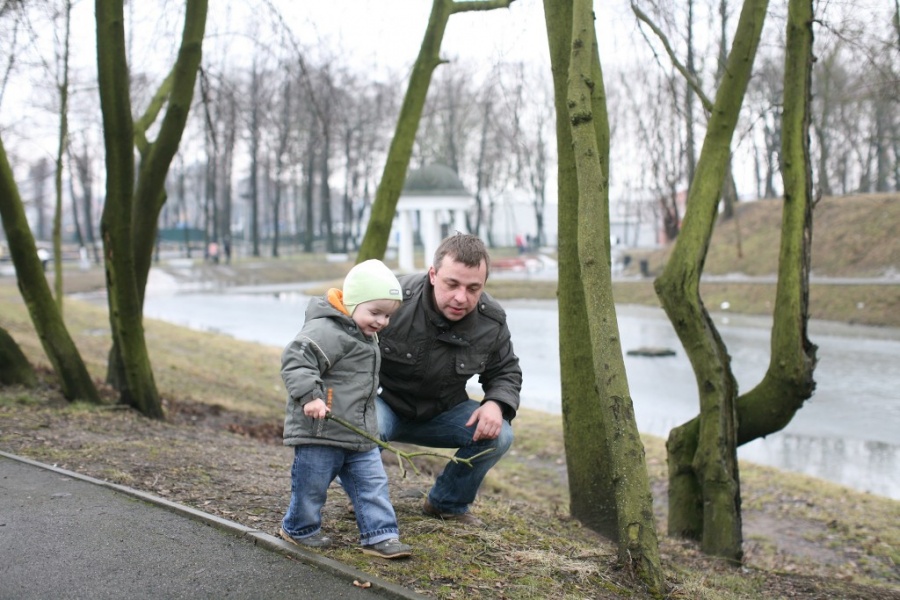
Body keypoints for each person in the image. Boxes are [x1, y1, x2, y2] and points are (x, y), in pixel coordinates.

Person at [376, 233, 522, 526]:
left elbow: (506, 371)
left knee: (501, 434)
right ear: (433, 274)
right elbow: (341, 336)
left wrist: (495, 403)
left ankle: (447, 504)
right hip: (385, 403)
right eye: (452, 284)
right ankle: (366, 499)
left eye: (473, 288)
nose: (461, 297)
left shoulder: (491, 320)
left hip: (444, 411)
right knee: (364, 423)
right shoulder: (391, 299)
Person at [279, 259, 412, 559]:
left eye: (388, 316)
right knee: (311, 487)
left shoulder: (364, 333)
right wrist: (312, 397)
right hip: (321, 430)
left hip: (359, 433)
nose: (381, 322)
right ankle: (299, 529)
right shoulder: (327, 331)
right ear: (352, 303)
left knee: (373, 484)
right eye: (375, 312)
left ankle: (381, 535)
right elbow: (296, 360)